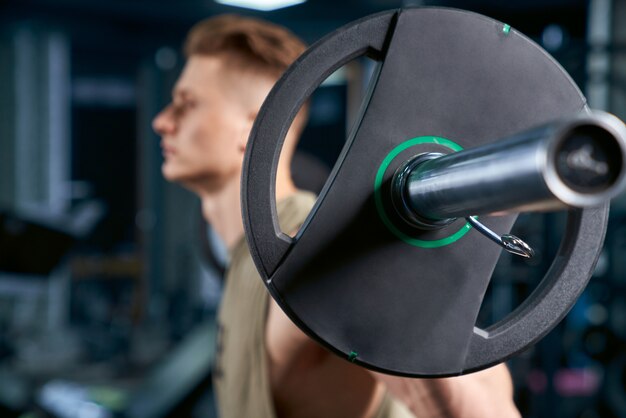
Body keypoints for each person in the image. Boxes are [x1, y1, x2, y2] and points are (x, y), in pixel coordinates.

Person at [152, 14, 521, 418]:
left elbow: (484, 403)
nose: (162, 122)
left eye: (186, 105)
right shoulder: (248, 255)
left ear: (252, 127)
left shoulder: (316, 245)